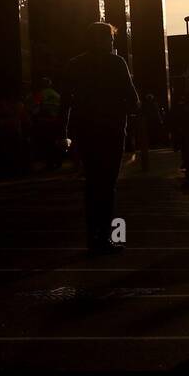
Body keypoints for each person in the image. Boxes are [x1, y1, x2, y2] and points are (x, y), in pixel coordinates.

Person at [61, 23, 140, 254]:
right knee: (107, 185)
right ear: (104, 40)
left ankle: (92, 237)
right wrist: (128, 108)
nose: (113, 44)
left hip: (85, 132)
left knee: (92, 183)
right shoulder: (117, 64)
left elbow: (65, 102)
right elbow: (132, 99)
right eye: (111, 40)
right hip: (112, 131)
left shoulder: (74, 65)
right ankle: (104, 237)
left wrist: (63, 133)